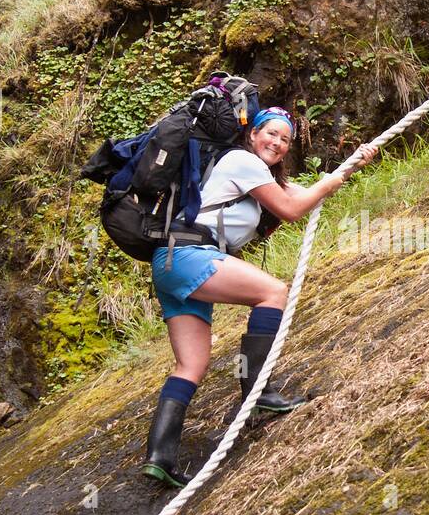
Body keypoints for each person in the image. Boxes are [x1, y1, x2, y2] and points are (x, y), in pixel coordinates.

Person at [142, 105, 378, 487]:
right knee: (273, 292)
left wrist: (350, 167)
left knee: (191, 365)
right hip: (189, 256)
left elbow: (306, 193)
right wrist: (330, 183)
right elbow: (292, 209)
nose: (278, 143)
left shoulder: (256, 175)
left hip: (170, 262)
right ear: (252, 134)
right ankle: (259, 392)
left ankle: (159, 458)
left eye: (285, 139)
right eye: (271, 133)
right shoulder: (240, 160)